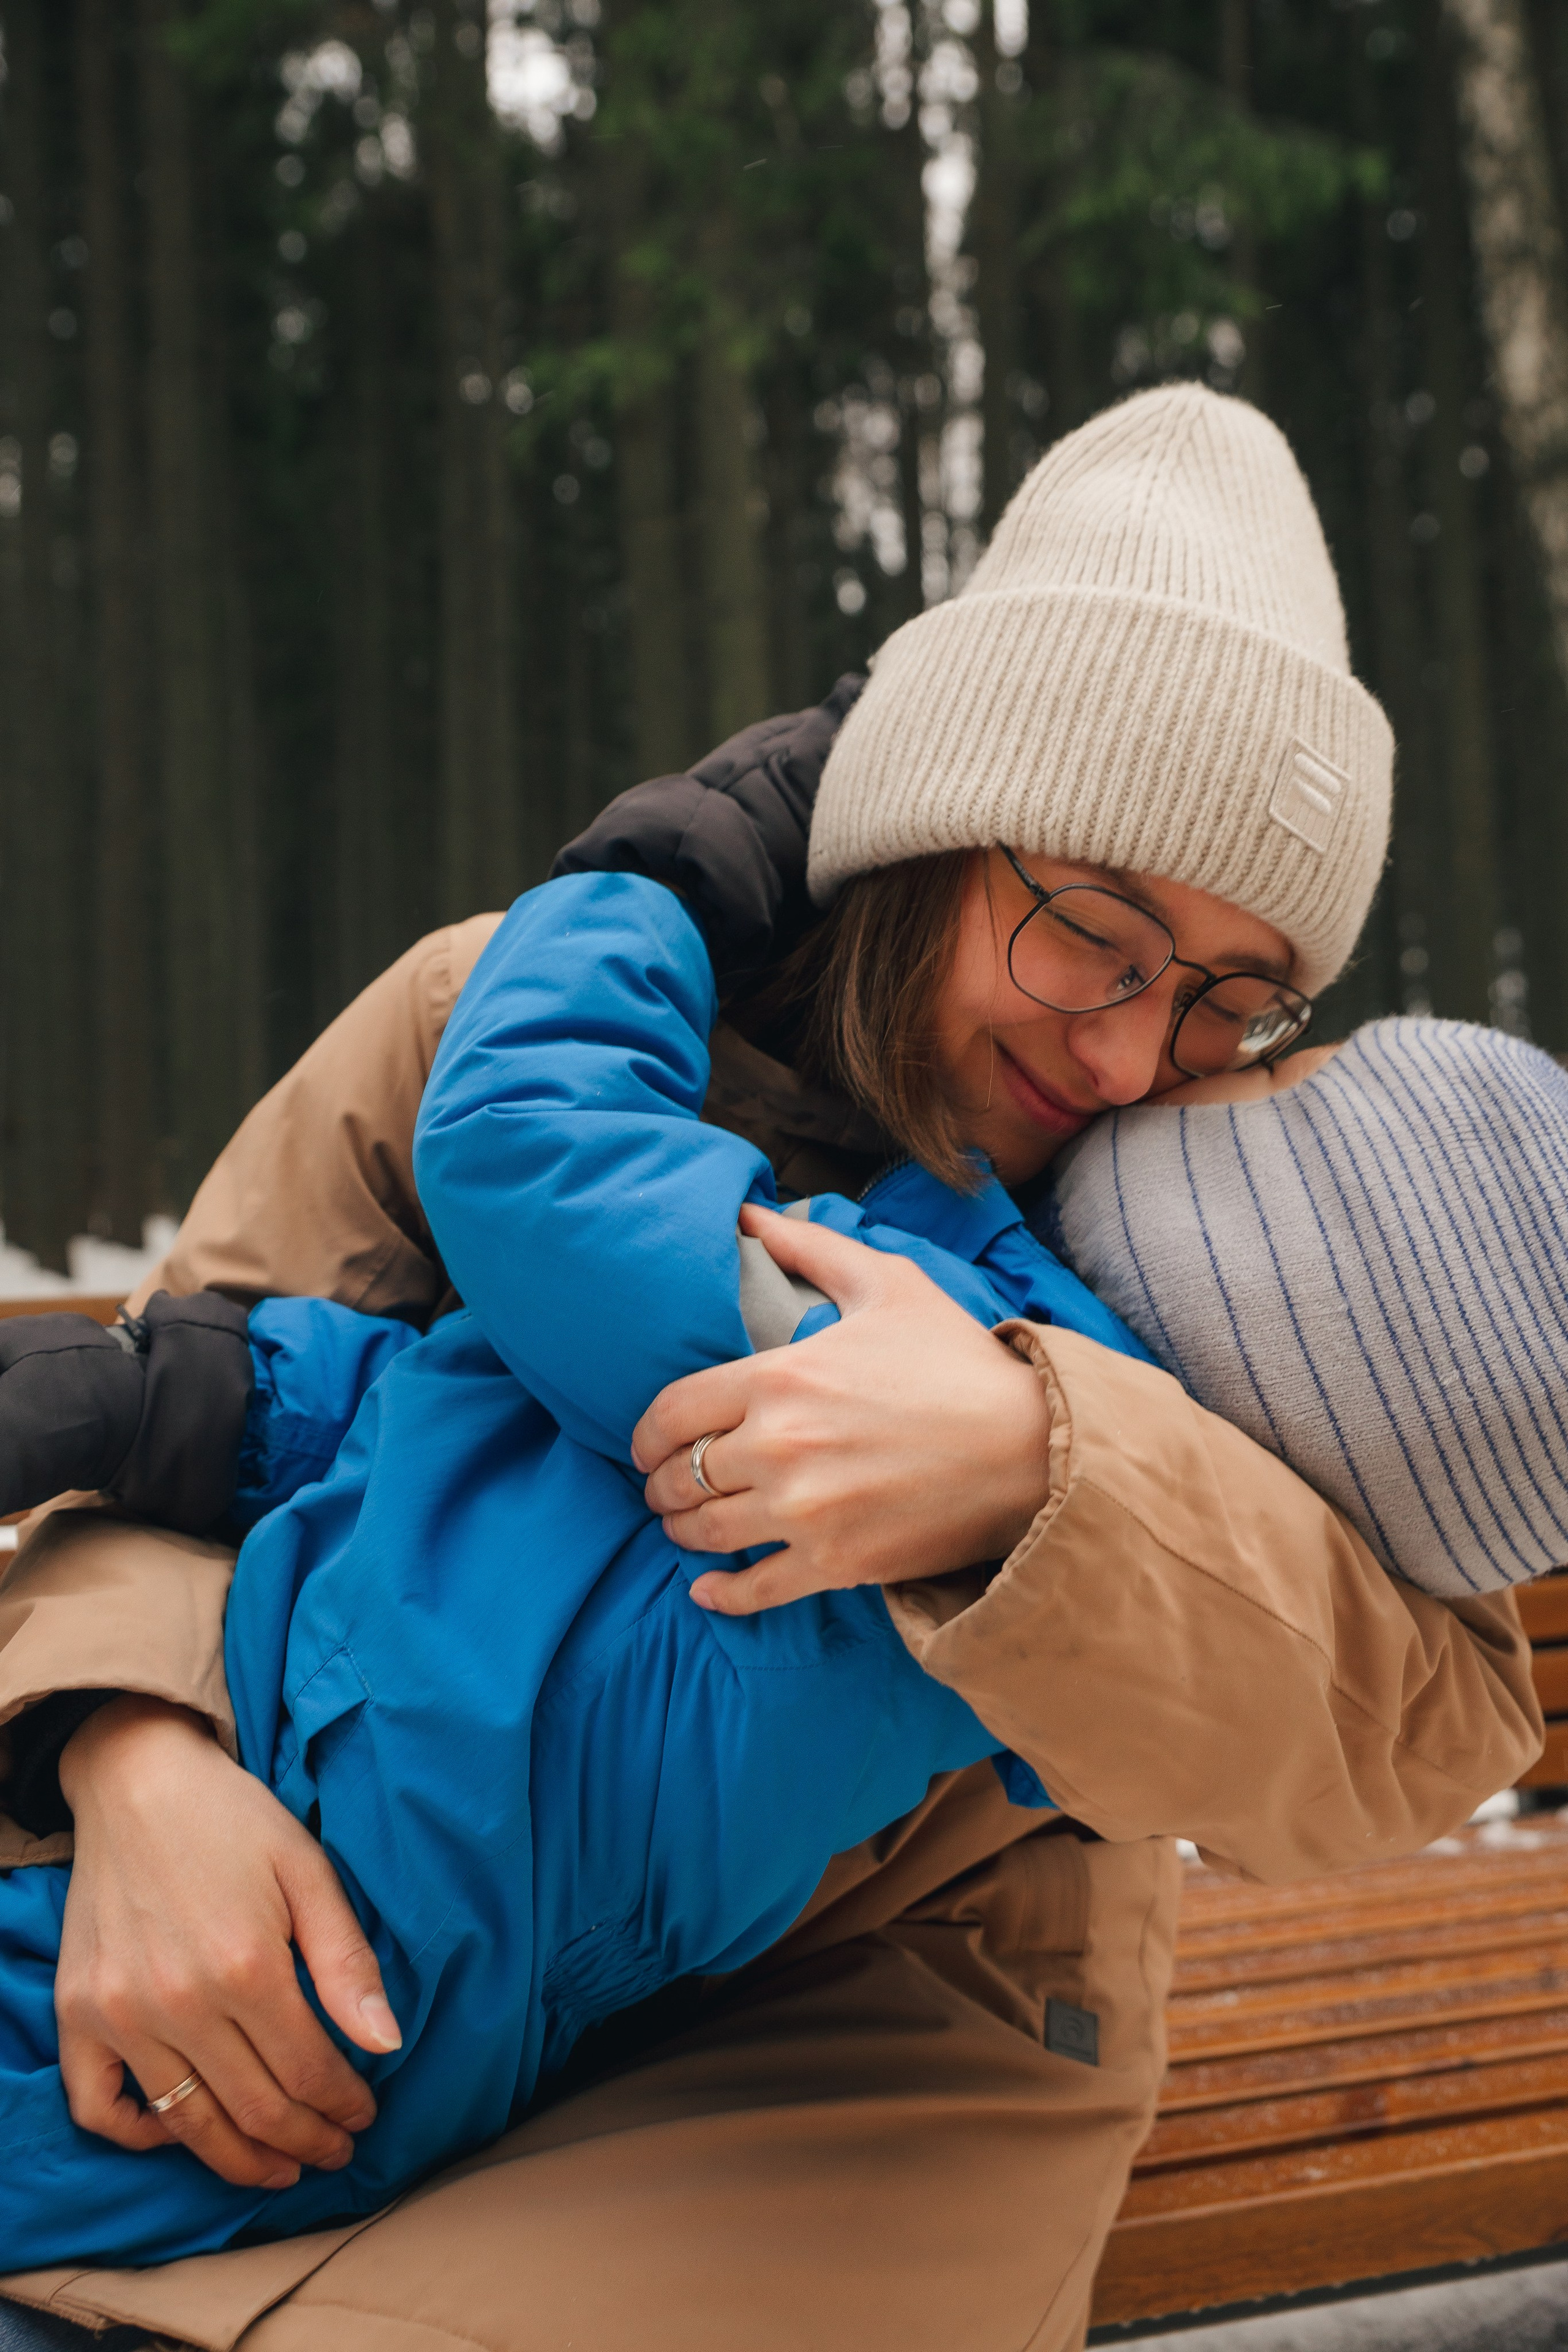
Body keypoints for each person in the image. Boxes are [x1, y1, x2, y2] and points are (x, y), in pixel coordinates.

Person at [0, 385, 1540, 2349]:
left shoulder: (1251, 1216)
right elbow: (183, 1395)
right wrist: (134, 1756)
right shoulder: (490, 1014)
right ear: (930, 833)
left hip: (867, 2067)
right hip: (324, 1935)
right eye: (1096, 934)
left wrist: (1033, 1464)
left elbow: (1430, 1712)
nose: (1137, 1055)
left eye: (1236, 997)